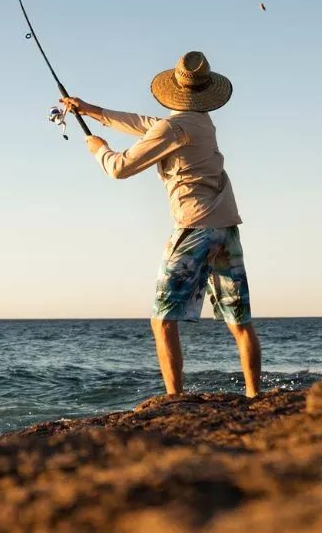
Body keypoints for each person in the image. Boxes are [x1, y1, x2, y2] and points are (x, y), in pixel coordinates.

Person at [61, 51, 262, 397]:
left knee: (162, 319)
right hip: (226, 228)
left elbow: (119, 168)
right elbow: (144, 123)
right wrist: (91, 110)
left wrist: (99, 148)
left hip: (193, 229)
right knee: (240, 321)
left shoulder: (173, 127)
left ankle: (174, 399)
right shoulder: (202, 124)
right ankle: (254, 396)